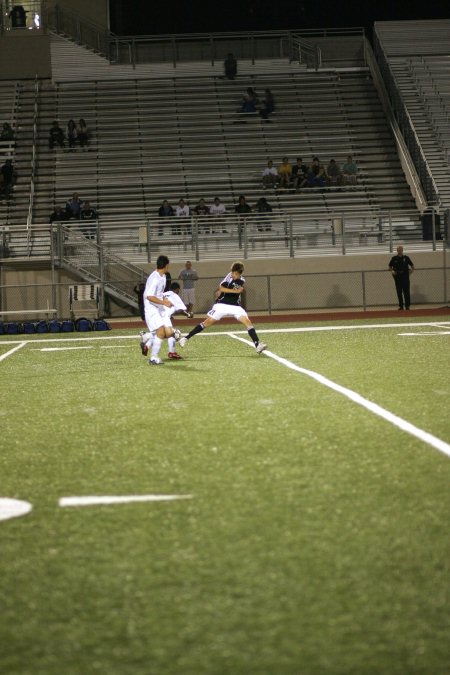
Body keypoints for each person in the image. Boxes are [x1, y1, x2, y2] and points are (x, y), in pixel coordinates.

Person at [179, 261, 267, 354]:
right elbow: (221, 288)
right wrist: (236, 292)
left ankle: (257, 345)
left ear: (240, 273)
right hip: (222, 304)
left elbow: (231, 289)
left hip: (235, 306)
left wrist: (235, 291)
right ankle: (185, 338)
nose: (233, 275)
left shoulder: (242, 280)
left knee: (247, 321)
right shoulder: (229, 276)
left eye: (235, 274)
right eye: (232, 272)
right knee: (207, 322)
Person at [140, 254, 181, 366]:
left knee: (167, 332)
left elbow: (158, 295)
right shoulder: (154, 278)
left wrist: (166, 302)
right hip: (151, 309)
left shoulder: (162, 276)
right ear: (166, 266)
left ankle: (147, 340)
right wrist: (163, 302)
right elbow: (149, 296)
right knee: (161, 332)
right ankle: (153, 357)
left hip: (158, 308)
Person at [140, 281, 192, 360]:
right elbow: (181, 310)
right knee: (174, 333)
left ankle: (147, 345)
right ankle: (147, 336)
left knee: (160, 334)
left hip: (156, 315)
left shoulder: (163, 294)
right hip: (164, 316)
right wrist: (188, 314)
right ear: (177, 289)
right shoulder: (175, 295)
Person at [389, 246, 415, 310]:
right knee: (399, 292)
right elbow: (390, 266)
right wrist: (392, 271)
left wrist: (410, 272)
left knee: (406, 292)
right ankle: (401, 306)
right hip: (397, 277)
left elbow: (412, 266)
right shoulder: (394, 258)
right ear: (397, 250)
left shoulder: (406, 258)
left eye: (401, 249)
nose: (400, 251)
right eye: (398, 250)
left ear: (402, 250)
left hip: (405, 277)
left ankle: (407, 306)